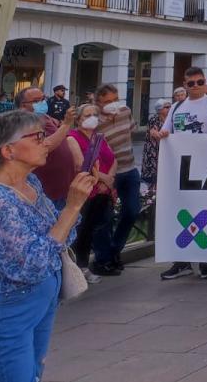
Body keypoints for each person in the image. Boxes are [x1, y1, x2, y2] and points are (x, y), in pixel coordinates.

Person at [0, 110, 98, 382]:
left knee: (33, 374)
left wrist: (75, 204)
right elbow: (31, 262)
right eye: (37, 137)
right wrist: (72, 207)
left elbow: (60, 237)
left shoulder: (30, 182)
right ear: (8, 150)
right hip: (10, 306)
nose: (46, 142)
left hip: (41, 299)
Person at [156, 67, 207, 281]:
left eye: (200, 82)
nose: (196, 86)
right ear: (185, 85)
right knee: (182, 211)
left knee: (205, 211)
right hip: (182, 168)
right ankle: (182, 261)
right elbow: (166, 131)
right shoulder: (177, 107)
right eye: (191, 83)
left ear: (205, 83)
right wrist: (160, 134)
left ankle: (205, 260)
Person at [65, 104, 116, 285]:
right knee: (81, 231)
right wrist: (102, 179)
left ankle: (85, 265)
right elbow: (81, 165)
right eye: (88, 115)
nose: (92, 117)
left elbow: (112, 159)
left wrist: (109, 179)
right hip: (85, 190)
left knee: (93, 229)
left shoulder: (99, 137)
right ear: (78, 119)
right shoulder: (73, 138)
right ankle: (78, 268)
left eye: (95, 114)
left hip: (102, 191)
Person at [91, 84, 137, 277]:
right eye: (108, 102)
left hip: (130, 169)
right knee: (105, 219)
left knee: (132, 211)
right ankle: (104, 259)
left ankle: (114, 250)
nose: (112, 104)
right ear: (99, 103)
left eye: (115, 100)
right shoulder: (94, 122)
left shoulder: (125, 111)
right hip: (109, 174)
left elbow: (131, 131)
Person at [16, 89, 75, 210]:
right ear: (23, 105)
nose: (42, 103)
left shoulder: (45, 117)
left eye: (43, 98)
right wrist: (66, 125)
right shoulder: (23, 122)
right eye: (37, 101)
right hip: (46, 192)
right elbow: (43, 146)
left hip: (61, 188)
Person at [141, 98, 170, 191]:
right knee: (154, 180)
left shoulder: (170, 119)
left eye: (170, 106)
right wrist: (165, 135)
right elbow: (154, 134)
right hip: (153, 153)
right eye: (167, 107)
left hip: (164, 152)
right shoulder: (154, 119)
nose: (170, 108)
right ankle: (153, 200)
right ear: (160, 109)